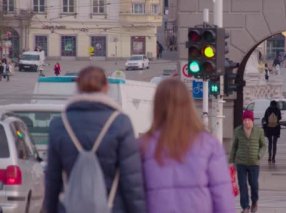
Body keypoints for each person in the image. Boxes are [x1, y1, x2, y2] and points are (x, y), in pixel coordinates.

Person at [45, 66, 146, 212]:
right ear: (106, 87)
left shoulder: (60, 124)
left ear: (77, 87)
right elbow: (132, 181)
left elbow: (52, 180)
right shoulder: (120, 123)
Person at [140, 78, 235, 213]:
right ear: (188, 105)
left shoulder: (144, 145)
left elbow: (135, 195)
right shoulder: (208, 144)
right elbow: (222, 196)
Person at [229, 110, 266, 213]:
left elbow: (263, 145)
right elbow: (234, 147)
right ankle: (245, 207)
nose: (246, 122)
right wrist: (231, 161)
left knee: (254, 184)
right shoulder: (238, 131)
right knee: (242, 185)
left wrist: (259, 155)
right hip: (241, 162)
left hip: (254, 163)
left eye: (248, 120)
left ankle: (254, 201)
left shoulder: (259, 131)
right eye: (245, 120)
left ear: (252, 120)